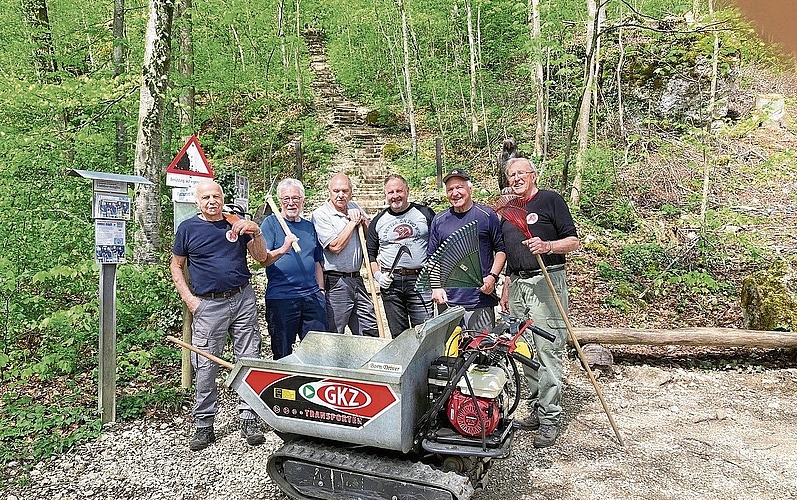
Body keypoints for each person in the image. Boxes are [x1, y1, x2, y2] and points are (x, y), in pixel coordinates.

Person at [170, 179, 268, 452]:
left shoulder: (235, 222)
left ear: (223, 197)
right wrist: (190, 301)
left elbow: (261, 258)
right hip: (208, 306)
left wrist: (256, 231)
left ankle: (249, 417)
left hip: (242, 298)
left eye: (216, 196)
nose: (212, 201)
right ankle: (204, 424)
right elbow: (176, 266)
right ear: (197, 201)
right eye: (206, 198)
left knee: (249, 357)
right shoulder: (188, 228)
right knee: (205, 363)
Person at [498, 157, 580, 448]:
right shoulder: (510, 210)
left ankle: (550, 418)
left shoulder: (550, 200)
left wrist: (548, 246)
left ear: (533, 175)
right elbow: (508, 252)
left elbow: (573, 241)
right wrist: (507, 284)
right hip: (518, 283)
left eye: (521, 173)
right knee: (524, 349)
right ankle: (535, 407)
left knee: (548, 348)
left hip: (547, 281)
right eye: (511, 175)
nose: (516, 178)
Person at [428, 168, 506, 332]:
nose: (455, 193)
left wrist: (492, 277)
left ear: (470, 189)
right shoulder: (440, 220)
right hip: (448, 300)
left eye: (459, 187)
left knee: (481, 351)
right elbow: (433, 257)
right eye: (450, 189)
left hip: (479, 298)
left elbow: (501, 250)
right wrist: (436, 286)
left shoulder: (487, 215)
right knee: (449, 353)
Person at [259, 178, 326, 360]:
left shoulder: (309, 227)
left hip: (312, 297)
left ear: (303, 201)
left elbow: (317, 261)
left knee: (316, 352)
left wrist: (321, 291)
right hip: (282, 298)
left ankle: (311, 387)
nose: (291, 203)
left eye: (296, 198)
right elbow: (263, 259)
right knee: (282, 353)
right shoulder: (270, 224)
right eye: (286, 198)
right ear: (279, 201)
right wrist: (284, 248)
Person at [366, 174, 435, 338]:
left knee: (424, 332)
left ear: (407, 191)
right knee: (399, 336)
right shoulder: (378, 220)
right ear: (385, 195)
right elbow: (370, 255)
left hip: (420, 281)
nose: (395, 196)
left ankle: (425, 363)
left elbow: (438, 245)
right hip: (391, 284)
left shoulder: (425, 213)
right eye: (390, 192)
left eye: (399, 191)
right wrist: (377, 276)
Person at [311, 173, 379, 337]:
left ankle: (366, 361)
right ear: (329, 191)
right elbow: (335, 246)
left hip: (357, 279)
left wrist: (363, 220)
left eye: (344, 191)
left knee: (369, 327)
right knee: (335, 331)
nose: (340, 195)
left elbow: (371, 236)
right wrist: (352, 223)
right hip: (335, 281)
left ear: (351, 192)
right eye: (336, 191)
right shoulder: (320, 215)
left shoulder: (354, 206)